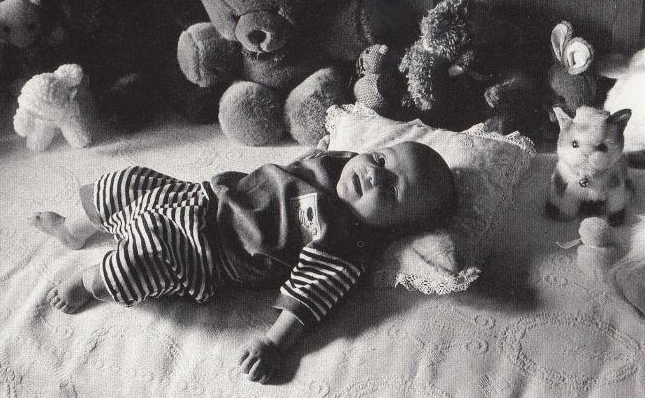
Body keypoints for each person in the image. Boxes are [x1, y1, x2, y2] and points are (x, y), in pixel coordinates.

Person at [29, 141, 457, 383]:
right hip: (199, 197)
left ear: (395, 229)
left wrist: (274, 343)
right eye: (382, 159)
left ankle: (89, 279)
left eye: (394, 189)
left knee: (136, 264)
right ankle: (74, 229)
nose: (376, 173)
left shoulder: (344, 243)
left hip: (202, 252)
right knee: (124, 182)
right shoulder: (342, 162)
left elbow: (310, 295)